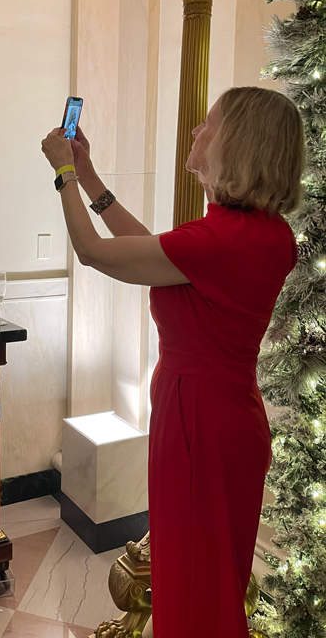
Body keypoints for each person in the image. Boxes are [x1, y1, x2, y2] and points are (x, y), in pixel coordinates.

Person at [42, 86, 304, 638]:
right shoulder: (262, 235)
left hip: (199, 422)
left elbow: (93, 251)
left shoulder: (219, 240)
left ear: (237, 144)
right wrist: (88, 177)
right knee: (208, 576)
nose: (195, 132)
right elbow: (160, 252)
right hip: (225, 415)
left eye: (206, 124)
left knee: (191, 580)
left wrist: (63, 173)